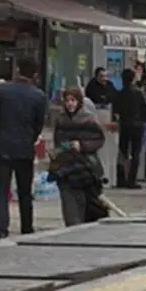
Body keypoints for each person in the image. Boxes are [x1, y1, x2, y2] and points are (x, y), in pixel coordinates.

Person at [0, 57, 48, 239]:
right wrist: (30, 139)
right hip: (24, 149)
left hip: (2, 147)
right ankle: (26, 228)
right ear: (35, 75)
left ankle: (2, 230)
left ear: (17, 70)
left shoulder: (1, 91)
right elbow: (39, 124)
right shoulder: (38, 96)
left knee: (1, 191)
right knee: (25, 192)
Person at [49, 88, 107, 226]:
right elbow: (58, 140)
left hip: (85, 168)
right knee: (70, 206)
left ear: (79, 101)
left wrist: (82, 145)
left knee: (88, 205)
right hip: (66, 168)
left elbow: (99, 139)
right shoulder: (60, 119)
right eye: (67, 100)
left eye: (73, 100)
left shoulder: (88, 119)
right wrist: (57, 152)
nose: (70, 104)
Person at [112, 68, 146, 188]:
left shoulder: (119, 94)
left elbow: (115, 110)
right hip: (138, 125)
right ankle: (132, 180)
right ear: (133, 78)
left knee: (123, 152)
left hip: (124, 124)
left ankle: (121, 179)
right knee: (135, 153)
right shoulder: (139, 93)